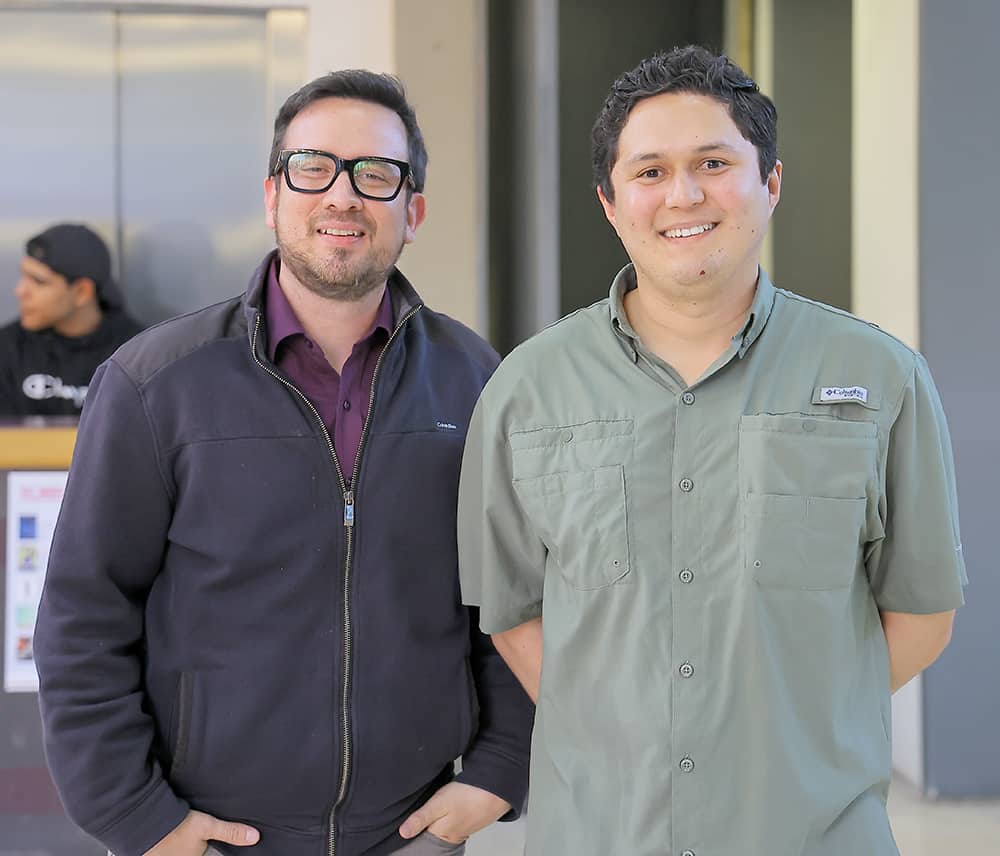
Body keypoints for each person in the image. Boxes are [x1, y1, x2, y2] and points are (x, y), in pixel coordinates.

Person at [458, 45, 965, 856]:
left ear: (770, 183)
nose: (683, 194)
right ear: (610, 201)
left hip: (811, 835)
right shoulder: (526, 388)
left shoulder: (880, 377)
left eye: (714, 163)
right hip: (598, 834)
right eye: (650, 171)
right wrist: (624, 728)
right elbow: (515, 613)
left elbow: (922, 613)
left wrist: (789, 725)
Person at [34, 70, 533, 856]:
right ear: (273, 195)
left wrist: (503, 767)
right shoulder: (152, 385)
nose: (343, 195)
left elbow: (513, 599)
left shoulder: (480, 382)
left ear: (415, 210)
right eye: (314, 167)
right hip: (206, 838)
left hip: (413, 836)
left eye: (377, 174)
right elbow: (81, 616)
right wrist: (138, 818)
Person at [0, 223, 143, 416]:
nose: (20, 291)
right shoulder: (7, 348)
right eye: (23, 276)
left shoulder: (138, 354)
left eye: (39, 281)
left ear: (82, 292)